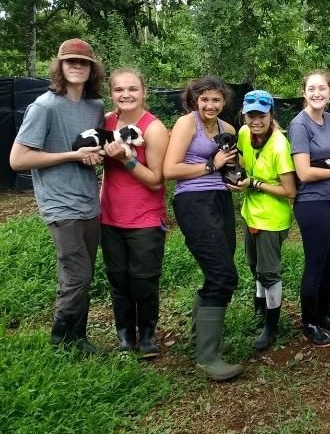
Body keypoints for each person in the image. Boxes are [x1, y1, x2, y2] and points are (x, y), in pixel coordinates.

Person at [10, 39, 105, 354]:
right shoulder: (44, 106)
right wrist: (72, 156)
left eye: (83, 62)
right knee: (77, 277)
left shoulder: (95, 107)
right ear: (60, 67)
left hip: (90, 202)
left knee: (84, 274)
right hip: (60, 205)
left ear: (91, 69)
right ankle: (60, 341)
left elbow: (92, 149)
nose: (77, 66)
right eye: (70, 61)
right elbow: (18, 159)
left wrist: (96, 155)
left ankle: (79, 338)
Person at [163, 75, 242, 381]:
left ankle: (200, 338)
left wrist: (236, 178)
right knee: (223, 275)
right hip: (193, 201)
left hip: (221, 199)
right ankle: (208, 357)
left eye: (216, 99)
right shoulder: (187, 124)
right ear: (195, 100)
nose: (210, 105)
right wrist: (212, 166)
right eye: (205, 99)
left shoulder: (228, 129)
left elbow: (230, 167)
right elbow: (171, 170)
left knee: (218, 269)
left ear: (224, 102)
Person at [99, 68, 169, 357]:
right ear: (111, 93)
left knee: (143, 279)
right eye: (119, 90)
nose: (126, 94)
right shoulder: (106, 122)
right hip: (109, 215)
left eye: (132, 89)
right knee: (118, 277)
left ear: (144, 92)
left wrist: (126, 159)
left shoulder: (154, 128)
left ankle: (148, 333)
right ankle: (125, 334)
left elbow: (156, 180)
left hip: (145, 218)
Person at [288, 69, 330, 347]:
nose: (317, 93)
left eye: (322, 89)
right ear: (304, 93)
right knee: (316, 262)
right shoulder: (299, 125)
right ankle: (310, 322)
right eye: (311, 89)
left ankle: (324, 314)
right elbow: (303, 173)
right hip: (312, 202)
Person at [230, 89, 296, 351]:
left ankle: (272, 325)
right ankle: (260, 310)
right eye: (251, 116)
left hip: (271, 219)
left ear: (271, 116)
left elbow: (290, 191)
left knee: (269, 273)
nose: (256, 121)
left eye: (262, 116)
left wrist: (255, 183)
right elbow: (244, 160)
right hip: (250, 213)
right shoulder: (245, 133)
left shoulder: (280, 145)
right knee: (254, 265)